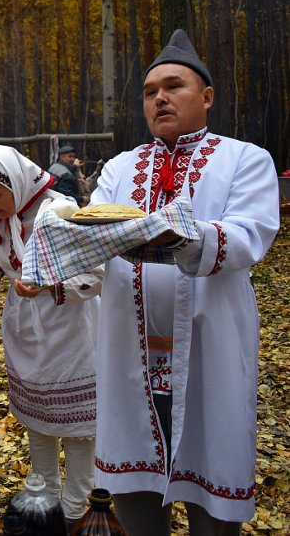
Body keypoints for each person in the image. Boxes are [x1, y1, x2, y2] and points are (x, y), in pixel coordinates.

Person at [87, 29, 279, 534]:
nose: (160, 98)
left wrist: (167, 232)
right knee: (136, 498)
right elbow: (93, 238)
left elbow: (246, 237)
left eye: (174, 86)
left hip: (208, 352)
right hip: (131, 355)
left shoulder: (246, 159)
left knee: (210, 494)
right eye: (150, 92)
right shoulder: (120, 167)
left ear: (207, 97)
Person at [0, 145, 101, 527]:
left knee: (76, 432)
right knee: (38, 421)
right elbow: (4, 258)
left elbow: (95, 275)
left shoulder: (60, 211)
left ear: (17, 184)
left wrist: (50, 288)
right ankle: (45, 501)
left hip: (69, 328)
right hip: (26, 328)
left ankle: (75, 511)